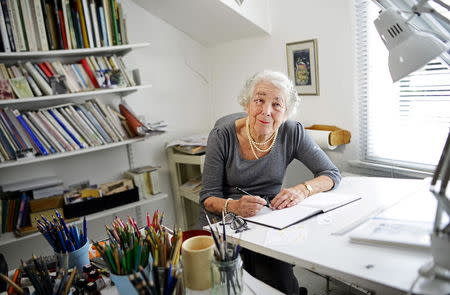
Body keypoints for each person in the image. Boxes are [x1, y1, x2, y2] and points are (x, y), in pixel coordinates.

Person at [199, 70, 341, 295]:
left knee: (280, 285)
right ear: (247, 103)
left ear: (286, 112)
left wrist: (302, 190)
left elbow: (331, 174)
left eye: (277, 104)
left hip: (268, 219)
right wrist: (235, 206)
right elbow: (207, 198)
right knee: (228, 286)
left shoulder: (292, 132)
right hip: (224, 221)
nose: (266, 111)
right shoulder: (222, 135)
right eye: (259, 100)